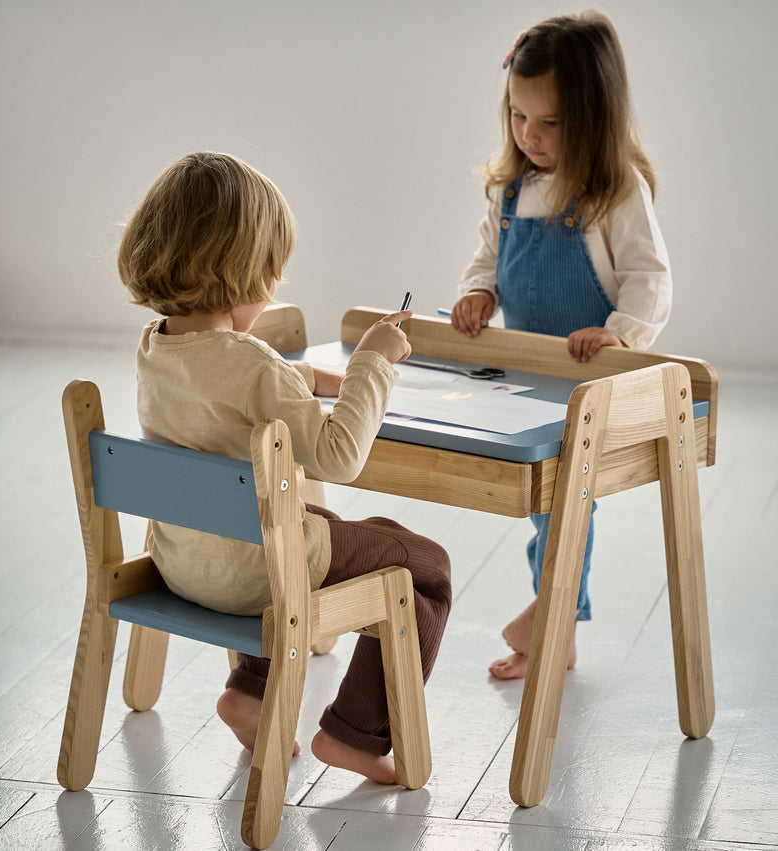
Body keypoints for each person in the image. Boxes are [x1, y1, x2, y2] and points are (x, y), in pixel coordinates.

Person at [117, 151, 452, 784]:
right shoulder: (254, 365)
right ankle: (354, 735)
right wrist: (372, 364)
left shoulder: (155, 346)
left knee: (326, 525)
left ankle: (250, 692)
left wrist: (299, 377)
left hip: (183, 560)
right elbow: (338, 455)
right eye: (275, 272)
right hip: (254, 579)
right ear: (246, 272)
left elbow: (218, 388)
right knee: (426, 566)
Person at [450, 11, 671, 680]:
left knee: (571, 499)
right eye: (519, 117)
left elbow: (650, 282)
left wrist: (619, 333)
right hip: (529, 378)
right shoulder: (512, 189)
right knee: (546, 501)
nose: (531, 135)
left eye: (550, 122)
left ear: (593, 118)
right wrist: (478, 293)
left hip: (590, 381)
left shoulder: (614, 193)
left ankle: (553, 615)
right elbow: (487, 258)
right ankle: (555, 621)